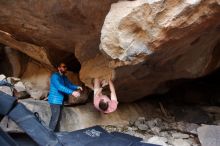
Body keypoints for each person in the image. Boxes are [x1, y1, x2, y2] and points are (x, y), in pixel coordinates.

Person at [48, 62, 82, 131]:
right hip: (55, 100)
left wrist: (77, 87)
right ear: (59, 68)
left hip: (60, 100)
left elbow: (69, 85)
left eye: (66, 67)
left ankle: (56, 133)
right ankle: (50, 134)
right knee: (55, 118)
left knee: (58, 118)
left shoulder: (64, 77)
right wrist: (72, 92)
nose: (65, 68)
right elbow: (59, 87)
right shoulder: (55, 76)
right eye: (63, 66)